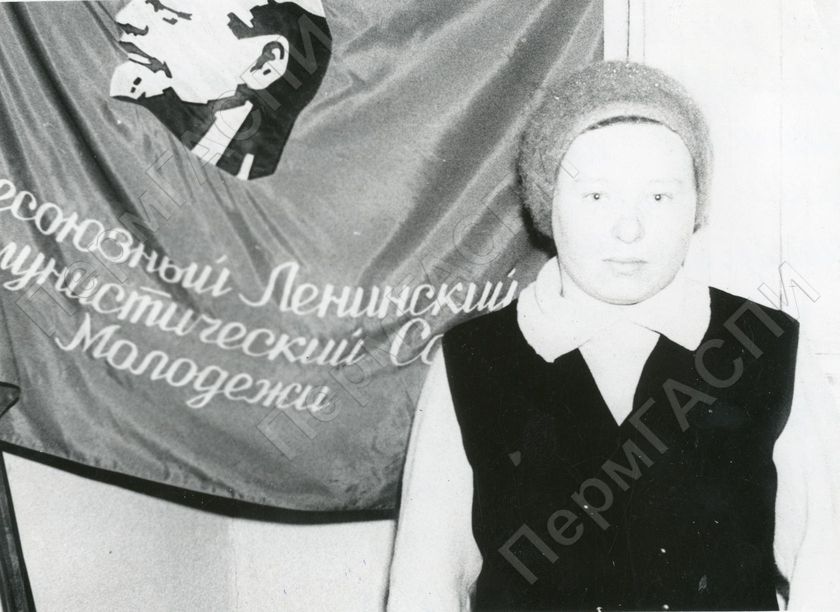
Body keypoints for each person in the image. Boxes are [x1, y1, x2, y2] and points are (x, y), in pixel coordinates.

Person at [387, 61, 840, 611]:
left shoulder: (766, 347)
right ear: (547, 204)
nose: (629, 229)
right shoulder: (473, 360)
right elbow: (425, 584)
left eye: (659, 197)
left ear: (697, 205)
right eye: (597, 196)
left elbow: (828, 567)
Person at [110, 0, 331, 179]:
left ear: (263, 65)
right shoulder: (114, 113)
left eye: (170, 15)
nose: (124, 18)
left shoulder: (267, 184)